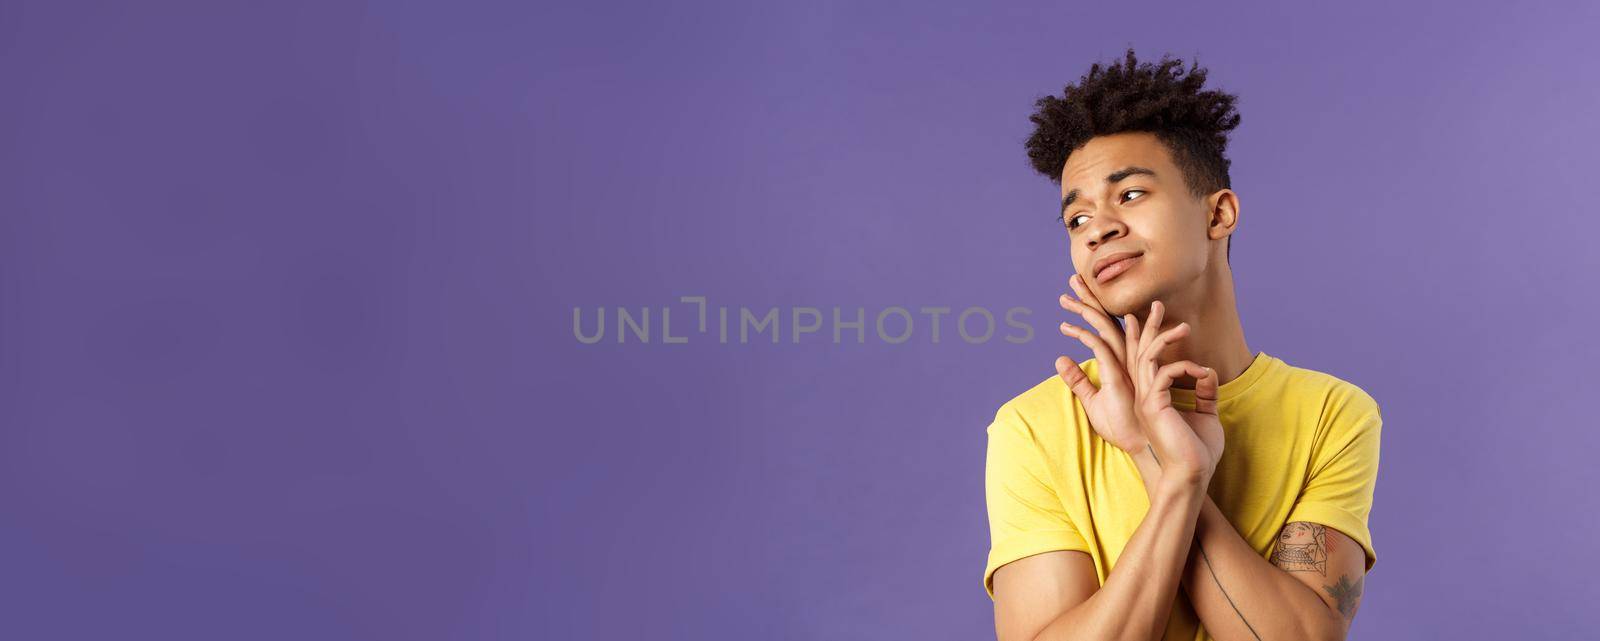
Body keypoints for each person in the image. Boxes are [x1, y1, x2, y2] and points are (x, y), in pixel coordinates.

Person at [983, 48, 1382, 641]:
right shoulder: (1034, 426)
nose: (1099, 228)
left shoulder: (1331, 413)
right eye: (1077, 219)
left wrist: (1155, 454)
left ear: (1218, 214)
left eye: (1132, 194)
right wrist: (1174, 471)